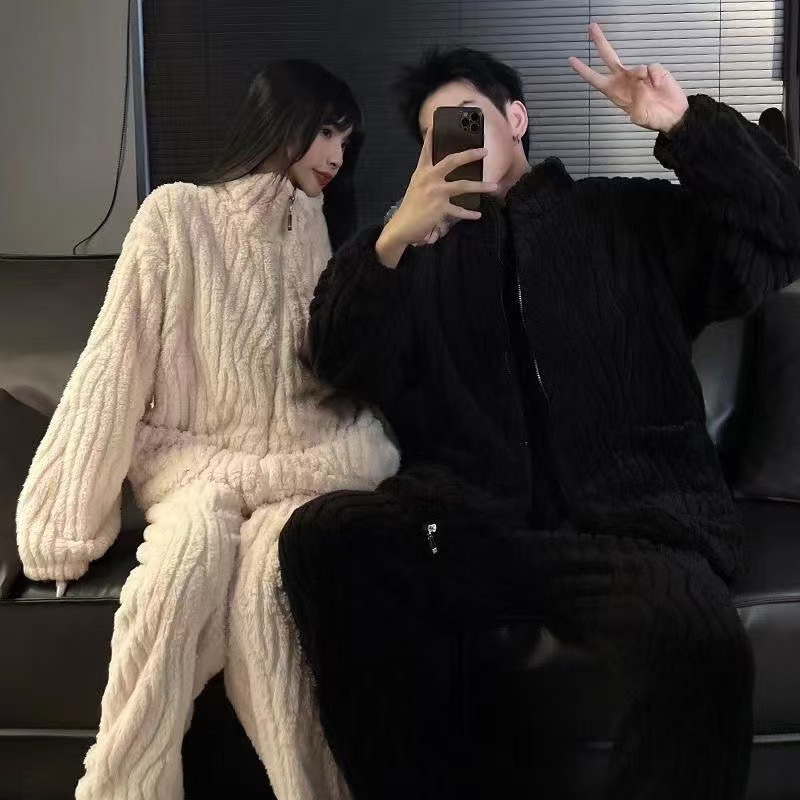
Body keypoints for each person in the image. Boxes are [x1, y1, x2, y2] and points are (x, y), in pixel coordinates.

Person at [279, 25, 800, 800]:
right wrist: (390, 242)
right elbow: (336, 357)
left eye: (466, 120)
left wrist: (687, 126)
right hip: (468, 526)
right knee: (323, 535)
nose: (452, 144)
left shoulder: (624, 217)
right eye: (434, 137)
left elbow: (782, 230)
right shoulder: (416, 258)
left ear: (516, 118)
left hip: (631, 528)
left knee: (701, 641)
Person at [16, 59, 398, 800]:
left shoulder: (325, 238)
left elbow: (334, 377)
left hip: (298, 469)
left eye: (346, 141)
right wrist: (64, 518)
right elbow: (115, 361)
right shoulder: (175, 215)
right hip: (195, 468)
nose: (336, 155)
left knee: (271, 599)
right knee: (181, 569)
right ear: (280, 120)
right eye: (326, 132)